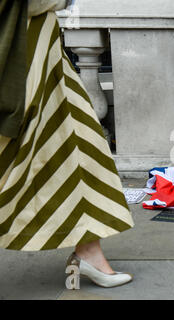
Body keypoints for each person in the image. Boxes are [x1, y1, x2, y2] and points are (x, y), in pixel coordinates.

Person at [0, 0, 135, 288]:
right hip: (19, 54)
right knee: (17, 153)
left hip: (39, 53)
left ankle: (88, 251)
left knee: (75, 143)